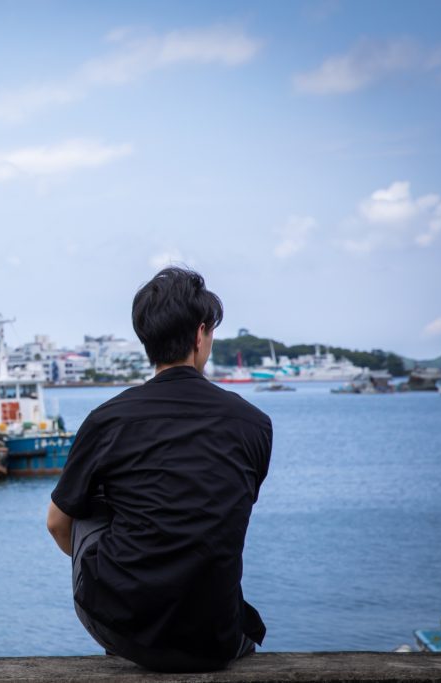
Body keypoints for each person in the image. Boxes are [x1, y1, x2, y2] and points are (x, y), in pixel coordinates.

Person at [46, 266, 272, 672]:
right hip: (217, 637)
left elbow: (57, 524)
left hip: (124, 629)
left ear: (146, 339)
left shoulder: (108, 420)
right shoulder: (253, 423)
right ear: (201, 334)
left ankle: (124, 612)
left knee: (88, 500)